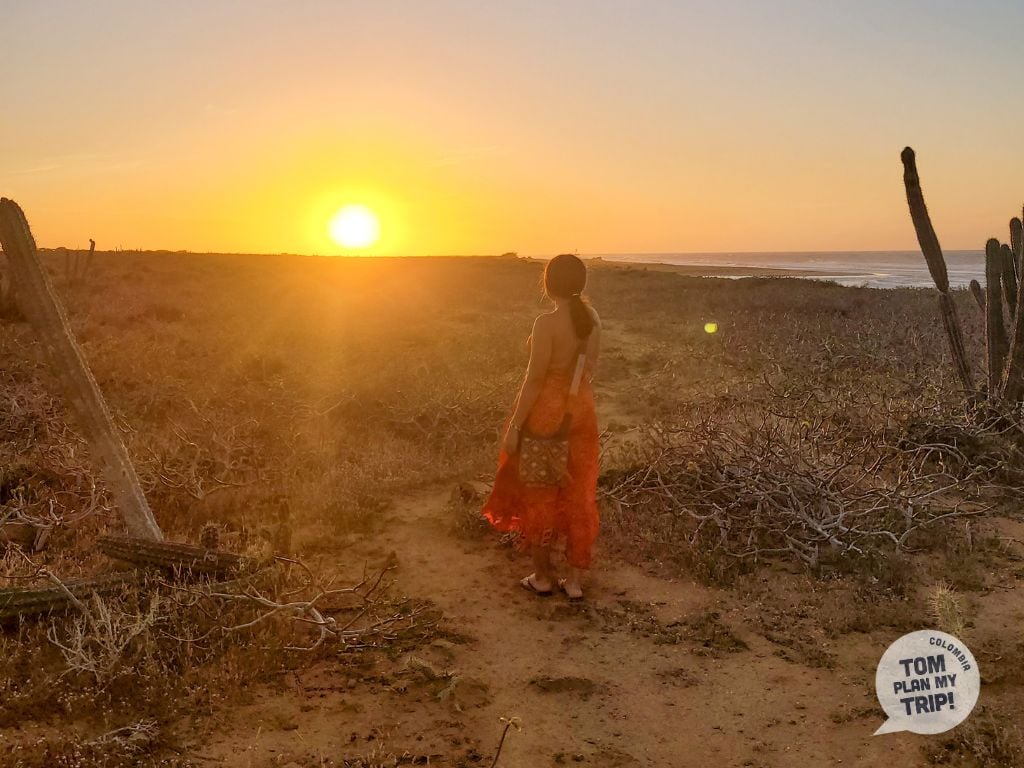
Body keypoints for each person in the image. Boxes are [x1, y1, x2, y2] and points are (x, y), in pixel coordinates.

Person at [483, 254, 601, 600]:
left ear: (549, 284)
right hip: (580, 409)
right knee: (578, 492)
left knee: (540, 493)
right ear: (580, 283)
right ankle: (575, 580)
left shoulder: (545, 324)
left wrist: (516, 425)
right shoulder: (592, 319)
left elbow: (534, 380)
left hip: (546, 413)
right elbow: (591, 368)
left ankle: (543, 576)